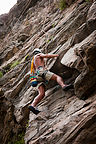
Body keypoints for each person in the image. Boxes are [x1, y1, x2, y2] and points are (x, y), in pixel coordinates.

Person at [28, 48, 73, 114]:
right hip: (42, 72)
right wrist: (56, 55)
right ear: (38, 52)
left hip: (37, 77)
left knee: (41, 94)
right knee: (57, 77)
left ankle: (33, 105)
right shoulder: (38, 55)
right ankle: (63, 86)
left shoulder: (33, 62)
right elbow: (46, 56)